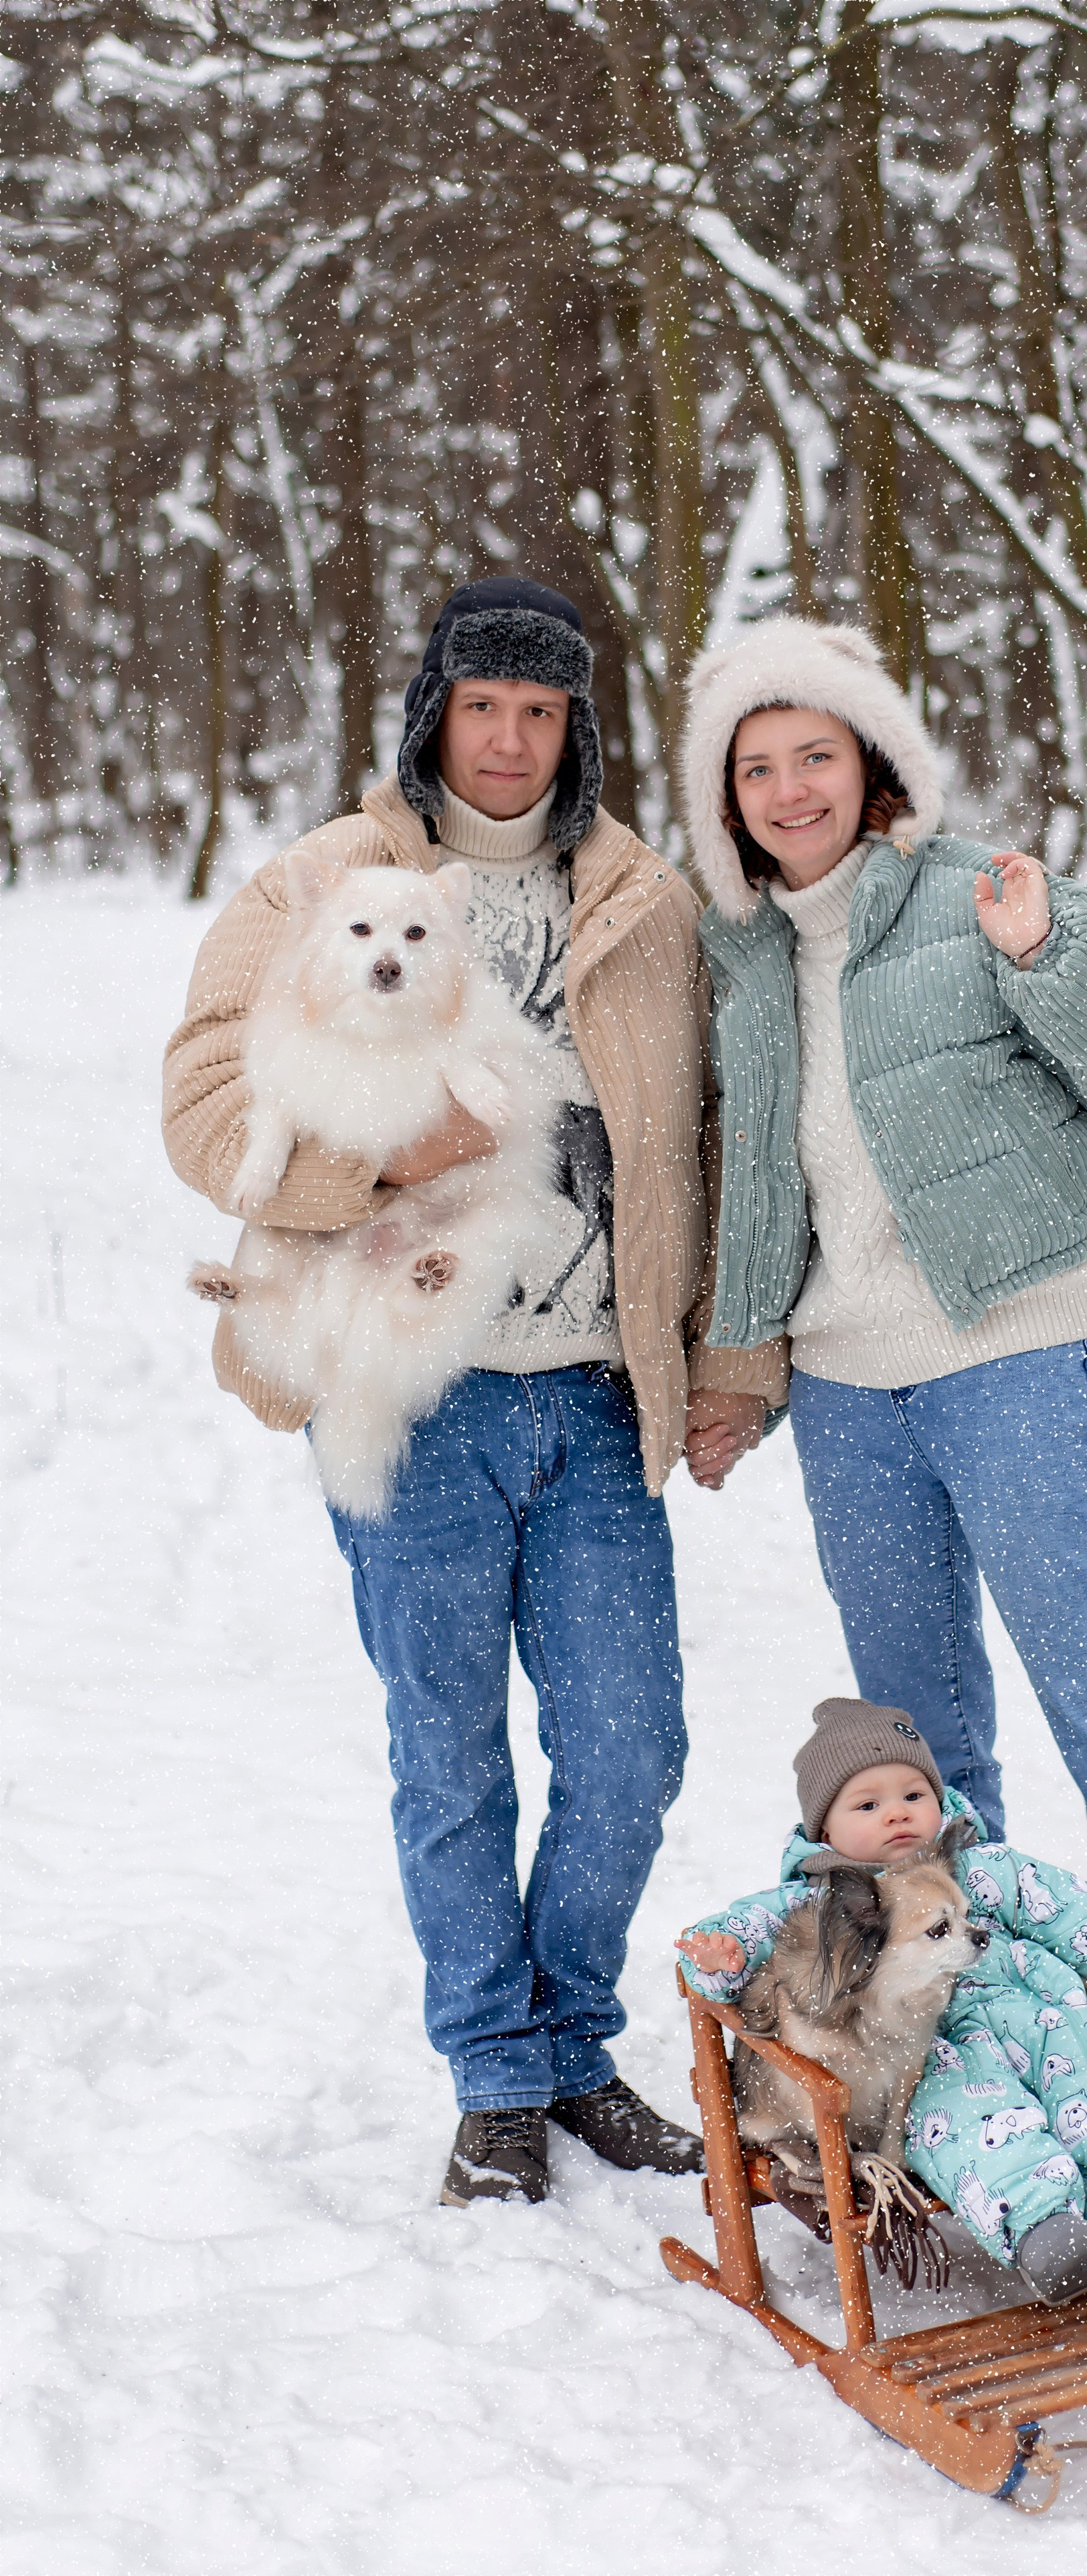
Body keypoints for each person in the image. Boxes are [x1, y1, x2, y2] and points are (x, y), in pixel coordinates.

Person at [679, 619, 1087, 2257]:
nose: (786, 789)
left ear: (871, 762)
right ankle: (982, 2091)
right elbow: (757, 1183)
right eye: (753, 767)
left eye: (812, 755)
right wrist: (733, 1366)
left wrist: (1053, 951)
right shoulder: (745, 958)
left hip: (1013, 1363)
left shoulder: (977, 891)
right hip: (848, 1395)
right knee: (925, 1784)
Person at [163, 576, 780, 2208]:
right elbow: (204, 1105)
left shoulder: (641, 900)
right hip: (408, 1383)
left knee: (629, 1746)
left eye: (540, 710)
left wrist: (725, 1358)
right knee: (450, 1755)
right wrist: (374, 1165)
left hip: (588, 1396)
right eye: (479, 704)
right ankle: (496, 2076)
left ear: (576, 728)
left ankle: (575, 2037)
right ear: (432, 709)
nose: (505, 740)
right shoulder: (326, 880)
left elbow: (706, 1144)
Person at [677, 1696, 1087, 2307]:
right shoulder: (826, 1903)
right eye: (868, 1804)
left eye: (913, 1795)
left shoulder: (989, 1869)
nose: (897, 1816)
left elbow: (1081, 1915)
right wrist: (721, 1958)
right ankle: (1045, 2229)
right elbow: (739, 1943)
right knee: (966, 2116)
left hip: (1044, 2018)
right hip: (935, 2047)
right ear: (825, 1832)